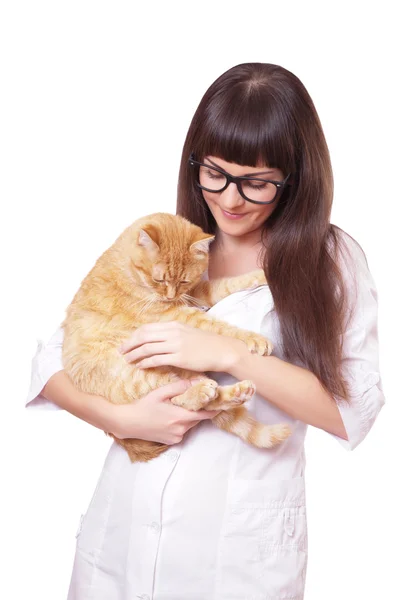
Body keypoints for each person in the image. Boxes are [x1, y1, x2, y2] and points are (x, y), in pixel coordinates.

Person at [25, 62, 385, 600]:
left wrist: (230, 354)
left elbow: (350, 411)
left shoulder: (331, 260)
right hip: (123, 527)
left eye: (257, 182)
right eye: (214, 173)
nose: (231, 199)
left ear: (296, 177)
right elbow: (51, 359)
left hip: (236, 557)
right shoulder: (173, 243)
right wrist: (123, 418)